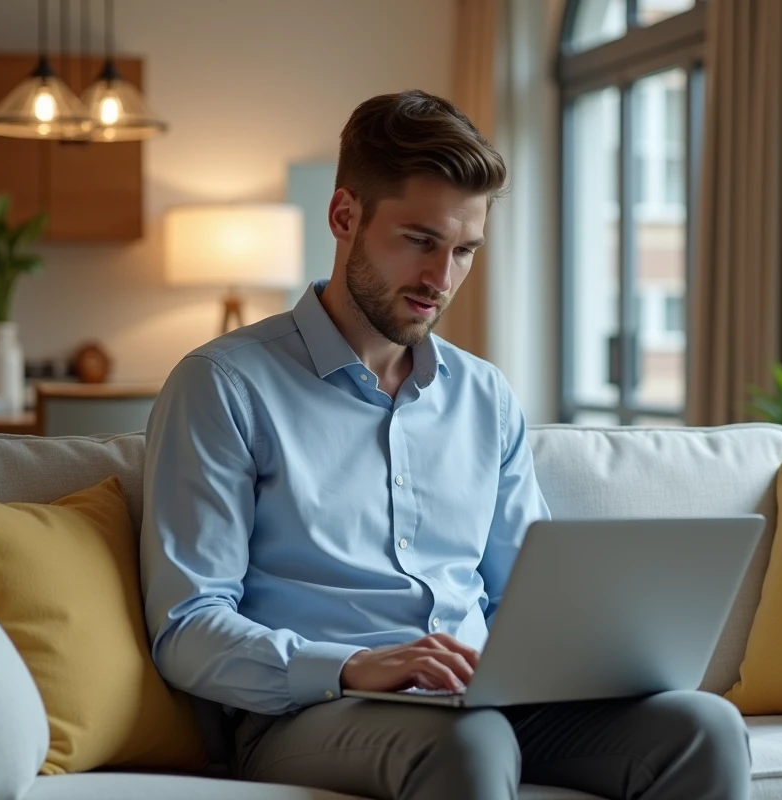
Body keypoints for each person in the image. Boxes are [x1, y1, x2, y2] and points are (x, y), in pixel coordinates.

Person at [140, 88, 751, 800]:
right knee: (471, 740)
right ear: (344, 217)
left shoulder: (484, 396)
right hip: (313, 713)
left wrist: (589, 655)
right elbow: (187, 626)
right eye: (420, 241)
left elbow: (528, 596)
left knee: (702, 727)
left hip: (482, 700)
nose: (442, 279)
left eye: (464, 250)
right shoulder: (222, 385)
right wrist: (348, 666)